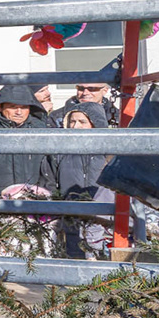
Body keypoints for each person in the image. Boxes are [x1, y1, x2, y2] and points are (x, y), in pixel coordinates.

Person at [55, 102, 112, 258]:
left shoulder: (109, 151)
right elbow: (50, 179)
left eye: (82, 122)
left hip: (102, 218)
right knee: (73, 256)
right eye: (72, 121)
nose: (75, 126)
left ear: (95, 123)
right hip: (70, 214)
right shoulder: (60, 151)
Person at [0, 83, 58, 195]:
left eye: (24, 107)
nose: (19, 112)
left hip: (34, 198)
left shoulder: (42, 132)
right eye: (13, 107)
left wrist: (47, 194)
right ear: (0, 107)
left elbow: (51, 169)